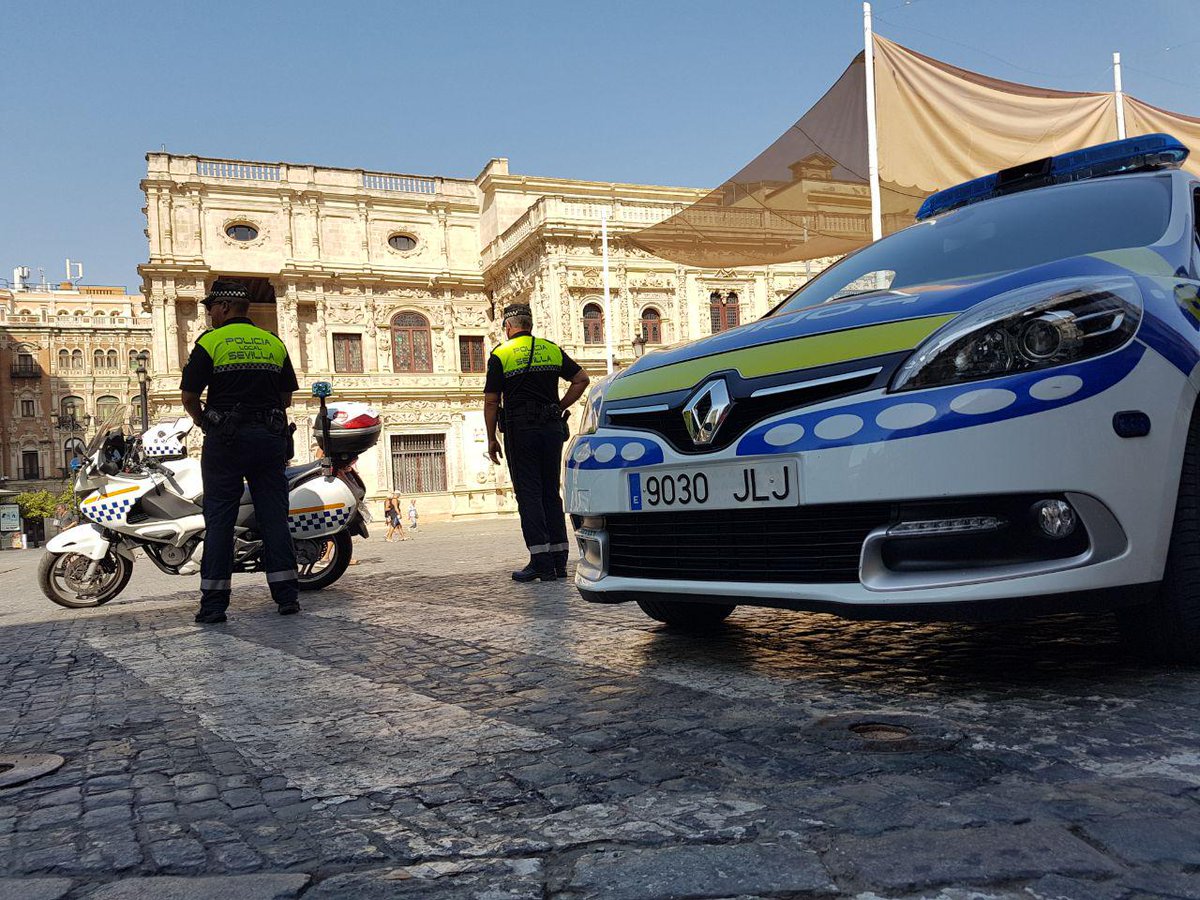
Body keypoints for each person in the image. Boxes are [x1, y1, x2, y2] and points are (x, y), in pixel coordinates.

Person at [180, 279, 301, 624]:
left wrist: (205, 421)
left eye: (210, 308)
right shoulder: (273, 343)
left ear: (224, 307)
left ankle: (214, 606)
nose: (209, 314)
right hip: (269, 439)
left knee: (219, 520)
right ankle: (287, 597)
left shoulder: (211, 342)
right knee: (274, 517)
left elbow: (189, 396)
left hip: (226, 442)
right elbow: (286, 398)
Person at [484, 303, 590, 581]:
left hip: (521, 431)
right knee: (550, 492)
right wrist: (559, 405)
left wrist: (491, 437)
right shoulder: (551, 349)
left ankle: (540, 562)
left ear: (508, 327)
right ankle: (559, 561)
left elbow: (492, 400)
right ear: (530, 325)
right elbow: (581, 379)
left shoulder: (501, 354)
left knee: (529, 495)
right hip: (552, 428)